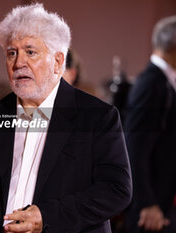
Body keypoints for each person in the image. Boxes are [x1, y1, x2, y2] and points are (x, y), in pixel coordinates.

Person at [0, 4, 132, 233]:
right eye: (12, 53)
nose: (19, 63)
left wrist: (46, 216)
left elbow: (116, 190)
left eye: (30, 52)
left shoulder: (97, 117)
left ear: (58, 62)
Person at [124, 16, 176, 233]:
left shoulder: (163, 81)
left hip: (160, 200)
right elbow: (134, 147)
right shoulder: (152, 84)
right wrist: (146, 202)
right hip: (149, 210)